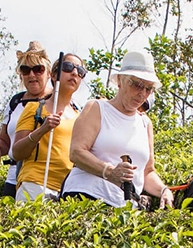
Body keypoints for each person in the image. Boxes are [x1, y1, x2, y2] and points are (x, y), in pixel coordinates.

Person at [62, 50, 174, 209]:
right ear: (120, 81)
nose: (142, 93)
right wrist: (109, 171)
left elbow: (147, 172)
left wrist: (163, 190)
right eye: (137, 84)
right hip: (86, 197)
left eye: (148, 89)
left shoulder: (145, 123)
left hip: (124, 210)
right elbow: (76, 152)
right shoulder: (96, 108)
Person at [11, 53, 85, 202]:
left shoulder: (81, 117)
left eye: (80, 70)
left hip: (67, 191)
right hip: (35, 184)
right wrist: (42, 130)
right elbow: (17, 152)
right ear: (53, 75)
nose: (75, 72)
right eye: (68, 67)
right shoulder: (35, 107)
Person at [0, 41, 53, 197]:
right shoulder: (15, 102)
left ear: (48, 73)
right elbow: (5, 141)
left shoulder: (57, 101)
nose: (31, 75)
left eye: (38, 69)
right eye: (25, 70)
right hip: (14, 178)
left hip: (46, 180)